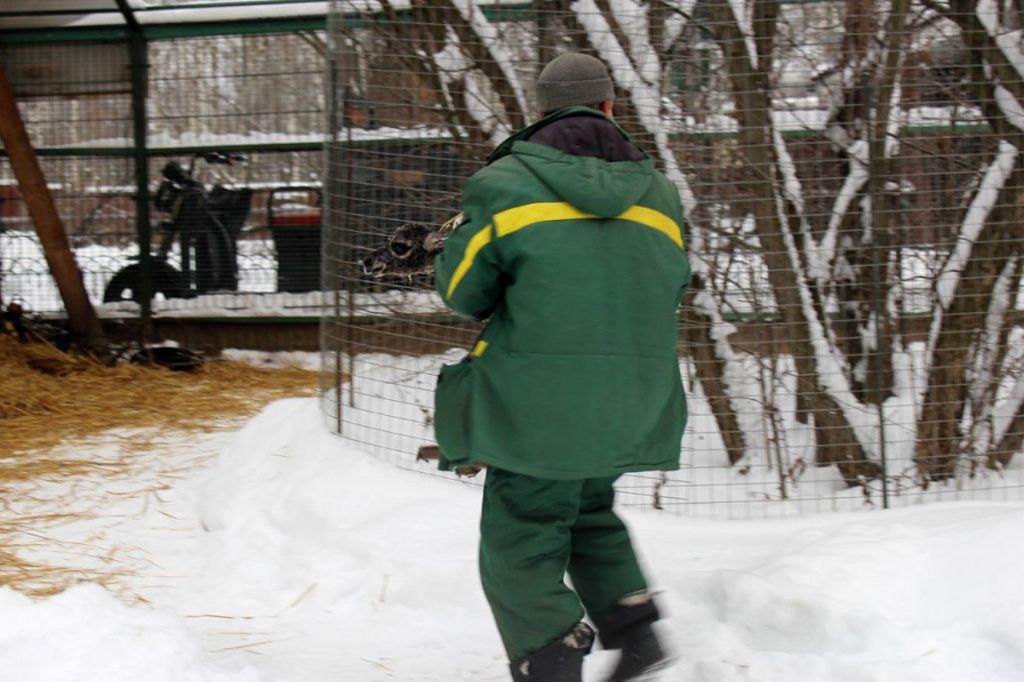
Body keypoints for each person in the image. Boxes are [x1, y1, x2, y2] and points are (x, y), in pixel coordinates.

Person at [432, 52, 691, 682]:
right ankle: (635, 628)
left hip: (537, 403)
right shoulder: (658, 192)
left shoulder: (505, 184)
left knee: (520, 530)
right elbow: (672, 285)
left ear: (541, 112)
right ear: (609, 106)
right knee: (587, 506)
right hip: (631, 396)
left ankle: (549, 655)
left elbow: (464, 292)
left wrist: (449, 247)